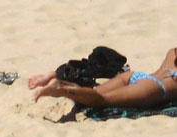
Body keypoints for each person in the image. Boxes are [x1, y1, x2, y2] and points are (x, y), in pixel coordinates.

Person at [30, 46, 177, 108]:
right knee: (101, 100)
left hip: (135, 76)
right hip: (154, 88)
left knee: (94, 93)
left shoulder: (172, 52)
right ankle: (60, 89)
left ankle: (61, 83)